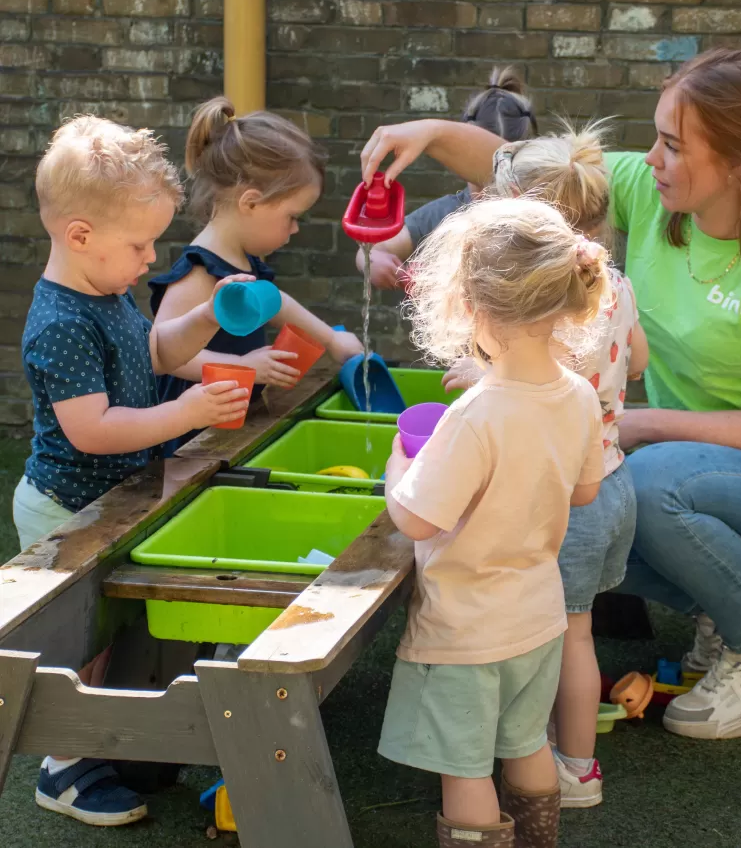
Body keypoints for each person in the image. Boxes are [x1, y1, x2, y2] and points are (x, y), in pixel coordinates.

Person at [358, 47, 741, 741]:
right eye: (657, 139)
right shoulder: (654, 196)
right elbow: (524, 165)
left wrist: (635, 425)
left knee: (643, 482)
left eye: (673, 145)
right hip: (693, 463)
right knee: (570, 516)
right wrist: (427, 133)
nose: (652, 158)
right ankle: (724, 602)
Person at [15, 115, 252, 825]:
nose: (151, 259)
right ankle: (61, 768)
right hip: (67, 508)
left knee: (107, 639)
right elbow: (92, 430)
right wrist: (186, 414)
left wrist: (208, 316)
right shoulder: (62, 320)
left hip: (107, 501)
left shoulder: (105, 291)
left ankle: (94, 744)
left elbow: (152, 352)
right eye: (139, 245)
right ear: (80, 235)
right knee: (75, 651)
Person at [380, 197, 610, 848]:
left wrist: (398, 469)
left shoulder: (475, 414)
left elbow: (417, 520)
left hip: (466, 632)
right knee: (526, 744)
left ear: (470, 303)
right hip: (537, 619)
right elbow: (587, 490)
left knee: (466, 770)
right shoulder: (579, 394)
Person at [441, 124, 649, 808]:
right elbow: (638, 362)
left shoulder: (547, 308)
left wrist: (483, 373)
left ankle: (576, 768)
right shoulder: (613, 283)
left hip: (571, 501)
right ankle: (567, 754)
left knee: (568, 637)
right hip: (615, 485)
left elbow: (533, 387)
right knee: (578, 630)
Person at [150, 97, 364, 453]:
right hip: (191, 434)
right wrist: (242, 366)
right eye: (292, 217)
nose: (295, 229)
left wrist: (331, 339)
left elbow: (276, 302)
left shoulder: (241, 259)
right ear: (250, 202)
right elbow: (164, 353)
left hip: (230, 422)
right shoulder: (199, 273)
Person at [357, 66, 538, 290]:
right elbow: (372, 250)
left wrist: (433, 132)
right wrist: (374, 260)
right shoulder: (444, 214)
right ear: (459, 162)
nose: (490, 190)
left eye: (502, 179)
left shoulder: (546, 218)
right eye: (479, 178)